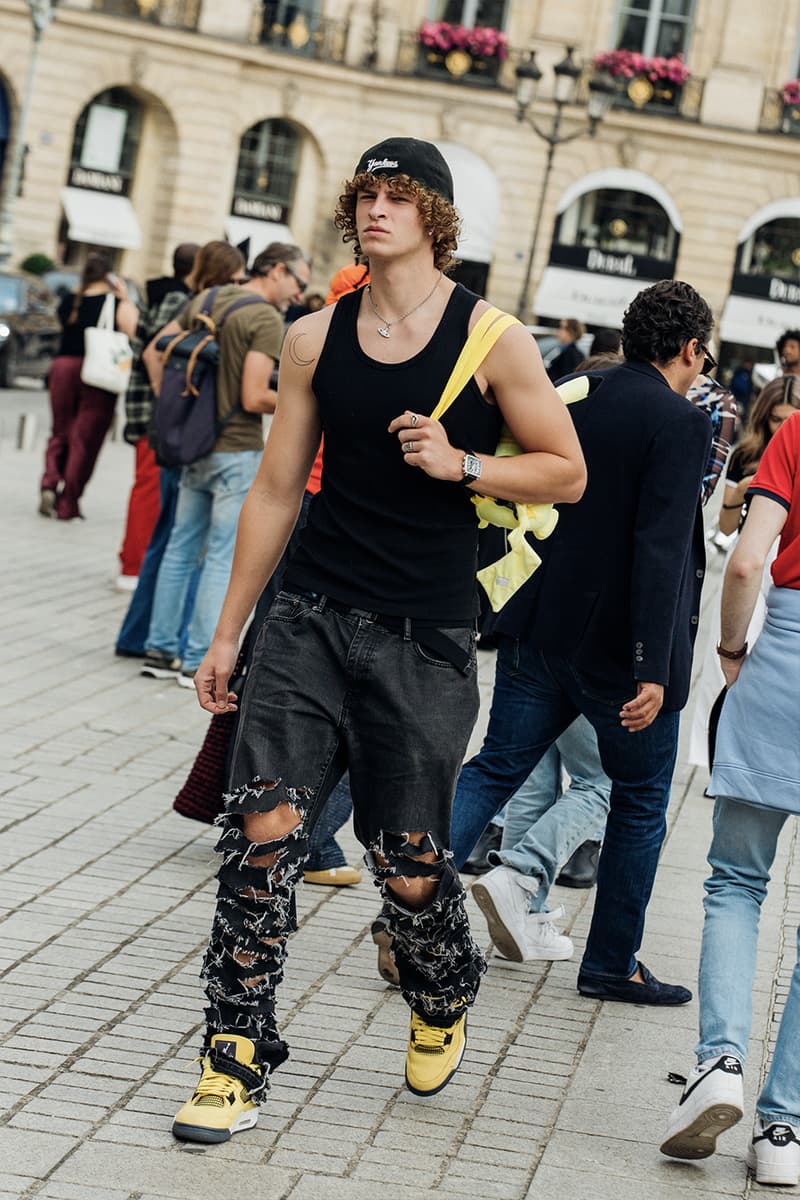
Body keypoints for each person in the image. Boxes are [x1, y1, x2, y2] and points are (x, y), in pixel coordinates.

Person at [169, 136, 586, 1143]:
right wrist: (226, 633)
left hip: (425, 635)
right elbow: (274, 489)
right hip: (307, 616)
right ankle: (234, 1054)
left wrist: (462, 465)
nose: (375, 210)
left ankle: (440, 987)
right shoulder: (313, 337)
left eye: (397, 196)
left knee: (405, 863)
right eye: (365, 194)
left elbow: (562, 471)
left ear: (435, 219)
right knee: (261, 834)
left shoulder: (494, 341)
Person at [449, 279, 714, 1006]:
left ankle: (413, 908)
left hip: (539, 616)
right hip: (616, 649)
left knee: (496, 765)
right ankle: (611, 963)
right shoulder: (680, 421)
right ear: (690, 349)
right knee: (637, 799)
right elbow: (660, 551)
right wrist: (653, 665)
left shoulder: (575, 388)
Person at [661, 409, 800, 1188]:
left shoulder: (798, 432)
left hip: (787, 661)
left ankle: (718, 1063)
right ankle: (785, 1127)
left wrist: (730, 649)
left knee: (738, 882)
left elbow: (746, 563)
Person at [141, 242, 309, 687]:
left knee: (180, 545)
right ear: (277, 271)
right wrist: (306, 406)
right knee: (219, 554)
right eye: (299, 281)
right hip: (235, 447)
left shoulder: (209, 298)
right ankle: (197, 655)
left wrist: (172, 404)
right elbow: (254, 395)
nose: (299, 292)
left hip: (193, 443)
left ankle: (158, 651)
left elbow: (154, 349)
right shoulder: (265, 319)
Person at [115, 241, 248, 658]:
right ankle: (161, 641)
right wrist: (173, 402)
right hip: (189, 435)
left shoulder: (191, 302)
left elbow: (154, 348)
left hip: (176, 432)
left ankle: (142, 638)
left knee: (171, 538)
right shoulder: (201, 307)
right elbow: (156, 352)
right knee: (184, 542)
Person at [688, 376, 800, 769]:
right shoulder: (746, 455)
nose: (782, 425)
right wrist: (740, 492)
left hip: (782, 556)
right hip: (750, 545)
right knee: (724, 652)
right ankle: (712, 754)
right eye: (775, 419)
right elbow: (725, 525)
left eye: (789, 417)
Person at [116, 242, 200, 592]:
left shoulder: (154, 290)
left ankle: (132, 561)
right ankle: (132, 566)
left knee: (147, 485)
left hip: (143, 404)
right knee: (149, 487)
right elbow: (160, 353)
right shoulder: (178, 300)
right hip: (156, 409)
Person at [39, 252, 138, 521]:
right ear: (108, 275)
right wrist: (125, 298)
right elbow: (133, 329)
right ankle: (67, 502)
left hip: (63, 367)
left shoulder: (70, 299)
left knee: (60, 431)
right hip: (97, 373)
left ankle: (50, 481)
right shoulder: (113, 301)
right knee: (85, 439)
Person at [546, 317, 584, 383]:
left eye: (561, 327)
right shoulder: (565, 350)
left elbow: (564, 378)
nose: (559, 331)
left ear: (570, 331)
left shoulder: (572, 354)